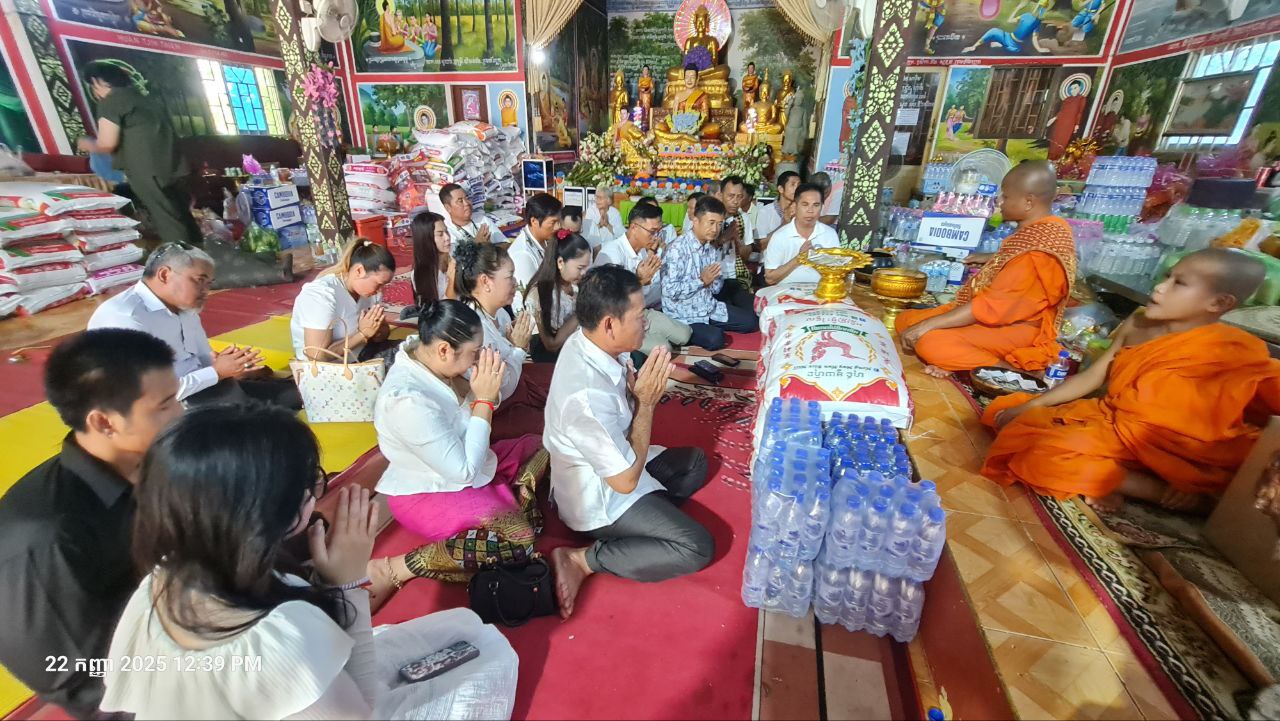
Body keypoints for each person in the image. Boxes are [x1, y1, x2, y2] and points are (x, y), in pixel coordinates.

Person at [99, 404, 519, 719]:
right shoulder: (280, 638)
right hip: (335, 693)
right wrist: (348, 583)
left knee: (465, 629)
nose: (317, 494)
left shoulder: (162, 577)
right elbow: (362, 708)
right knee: (490, 659)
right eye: (312, 484)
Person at [981, 249, 1280, 515]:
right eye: (1167, 276)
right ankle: (1140, 485)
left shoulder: (1233, 350)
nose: (1160, 287)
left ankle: (1142, 486)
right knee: (1012, 423)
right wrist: (1032, 405)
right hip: (1116, 429)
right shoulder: (1137, 323)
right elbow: (1094, 376)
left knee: (1041, 455)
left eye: (1179, 283)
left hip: (1183, 454)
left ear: (1219, 302)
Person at [0, 329, 182, 718]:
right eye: (165, 405)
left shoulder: (157, 465)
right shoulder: (46, 537)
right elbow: (75, 680)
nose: (180, 414)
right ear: (104, 422)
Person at [544, 266, 714, 619]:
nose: (646, 324)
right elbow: (623, 483)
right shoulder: (585, 396)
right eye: (639, 317)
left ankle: (643, 530)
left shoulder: (594, 342)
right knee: (696, 546)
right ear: (609, 324)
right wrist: (646, 403)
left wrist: (636, 394)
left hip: (619, 455)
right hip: (600, 496)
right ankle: (584, 559)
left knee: (695, 463)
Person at [366, 301, 547, 603]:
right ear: (444, 350)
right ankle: (399, 567)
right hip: (432, 490)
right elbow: (464, 471)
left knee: (548, 446)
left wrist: (490, 385)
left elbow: (487, 404)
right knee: (520, 541)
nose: (477, 359)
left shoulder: (432, 358)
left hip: (474, 458)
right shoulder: (407, 402)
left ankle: (508, 505)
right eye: (474, 353)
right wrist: (484, 400)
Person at [897, 161, 1075, 377]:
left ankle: (1008, 371)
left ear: (1028, 202)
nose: (999, 201)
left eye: (1006, 196)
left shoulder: (1039, 251)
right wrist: (991, 258)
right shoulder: (1046, 229)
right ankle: (962, 359)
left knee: (929, 341)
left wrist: (927, 326)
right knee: (906, 320)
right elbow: (1018, 260)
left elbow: (992, 307)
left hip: (1020, 328)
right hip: (997, 317)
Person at [88, 242, 298, 408]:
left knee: (299, 395)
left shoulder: (185, 308)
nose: (206, 291)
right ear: (164, 275)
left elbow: (201, 360)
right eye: (199, 281)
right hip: (162, 409)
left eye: (209, 284)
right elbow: (150, 395)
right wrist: (217, 371)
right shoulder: (125, 317)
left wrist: (232, 366)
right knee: (260, 426)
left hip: (204, 389)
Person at [77, 61, 201, 245]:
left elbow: (107, 144)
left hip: (146, 170)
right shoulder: (146, 99)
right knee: (182, 214)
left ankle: (181, 258)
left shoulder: (111, 101)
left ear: (97, 81)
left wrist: (86, 144)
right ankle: (200, 254)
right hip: (173, 165)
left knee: (167, 219)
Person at [455, 240, 549, 440]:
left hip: (516, 390)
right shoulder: (475, 327)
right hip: (494, 412)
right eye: (509, 276)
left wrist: (516, 347)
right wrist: (518, 349)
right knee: (554, 422)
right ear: (485, 281)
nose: (515, 282)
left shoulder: (501, 314)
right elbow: (501, 390)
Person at [597, 201, 710, 352]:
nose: (656, 237)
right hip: (618, 318)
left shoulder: (644, 251)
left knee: (685, 334)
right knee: (664, 348)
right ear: (634, 227)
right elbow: (606, 299)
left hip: (641, 312)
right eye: (652, 231)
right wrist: (639, 281)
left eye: (658, 231)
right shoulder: (612, 253)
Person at [662, 195, 760, 350]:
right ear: (695, 221)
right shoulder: (676, 249)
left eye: (719, 224)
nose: (715, 229)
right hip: (683, 314)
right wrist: (701, 281)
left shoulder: (711, 248)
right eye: (711, 223)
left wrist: (713, 281)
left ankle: (709, 327)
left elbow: (716, 288)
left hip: (709, 306)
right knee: (716, 339)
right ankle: (681, 332)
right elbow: (670, 291)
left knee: (751, 322)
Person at [291, 238, 398, 363]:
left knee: (414, 353)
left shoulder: (371, 293)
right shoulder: (321, 295)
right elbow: (316, 355)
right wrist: (362, 334)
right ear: (359, 271)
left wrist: (379, 330)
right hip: (330, 368)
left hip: (363, 353)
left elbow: (380, 336)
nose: (380, 290)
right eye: (379, 284)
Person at [526, 230, 591, 362]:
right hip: (555, 361)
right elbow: (551, 344)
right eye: (580, 268)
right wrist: (580, 312)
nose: (584, 273)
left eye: (586, 267)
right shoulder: (540, 294)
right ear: (561, 262)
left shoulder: (578, 285)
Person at [762, 182, 841, 286]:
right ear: (795, 206)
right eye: (805, 204)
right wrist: (799, 258)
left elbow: (837, 273)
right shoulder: (780, 236)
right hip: (786, 291)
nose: (810, 210)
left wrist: (815, 258)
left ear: (822, 206)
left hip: (821, 290)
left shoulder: (829, 234)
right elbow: (770, 279)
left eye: (816, 205)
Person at [508, 192, 563, 312]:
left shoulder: (546, 240)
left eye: (559, 221)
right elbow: (529, 302)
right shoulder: (523, 255)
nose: (558, 227)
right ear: (534, 221)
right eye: (553, 222)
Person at [715, 176, 757, 305]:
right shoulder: (711, 217)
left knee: (751, 309)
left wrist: (738, 240)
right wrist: (724, 238)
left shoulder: (743, 218)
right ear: (720, 195)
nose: (735, 201)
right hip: (713, 276)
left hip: (735, 275)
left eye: (739, 197)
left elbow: (745, 256)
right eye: (731, 196)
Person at [410, 211, 455, 315]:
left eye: (446, 231)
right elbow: (442, 310)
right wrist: (452, 279)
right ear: (426, 238)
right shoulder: (422, 273)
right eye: (440, 234)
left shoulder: (453, 253)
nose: (447, 238)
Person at [439, 183, 505, 247]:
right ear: (448, 208)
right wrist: (476, 245)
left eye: (467, 198)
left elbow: (506, 244)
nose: (467, 203)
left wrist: (491, 246)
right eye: (460, 201)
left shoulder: (483, 220)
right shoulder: (448, 234)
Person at [755, 171, 801, 251]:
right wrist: (784, 224)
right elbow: (760, 245)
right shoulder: (765, 212)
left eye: (799, 185)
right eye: (793, 184)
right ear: (781, 189)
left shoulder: (802, 211)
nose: (797, 189)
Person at [584, 185, 623, 251]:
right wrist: (599, 225)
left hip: (611, 248)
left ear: (609, 201)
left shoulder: (615, 213)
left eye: (600, 198)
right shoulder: (591, 211)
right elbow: (586, 233)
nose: (597, 200)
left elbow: (621, 234)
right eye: (596, 197)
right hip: (593, 249)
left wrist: (608, 225)